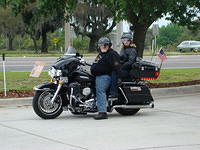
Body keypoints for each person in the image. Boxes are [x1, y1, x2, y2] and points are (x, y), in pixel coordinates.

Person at [91, 37, 120, 120]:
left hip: (104, 76)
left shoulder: (112, 54)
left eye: (105, 45)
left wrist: (118, 78)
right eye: (101, 45)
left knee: (100, 91)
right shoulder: (101, 54)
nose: (103, 47)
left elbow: (116, 67)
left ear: (109, 45)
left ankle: (102, 112)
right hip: (97, 76)